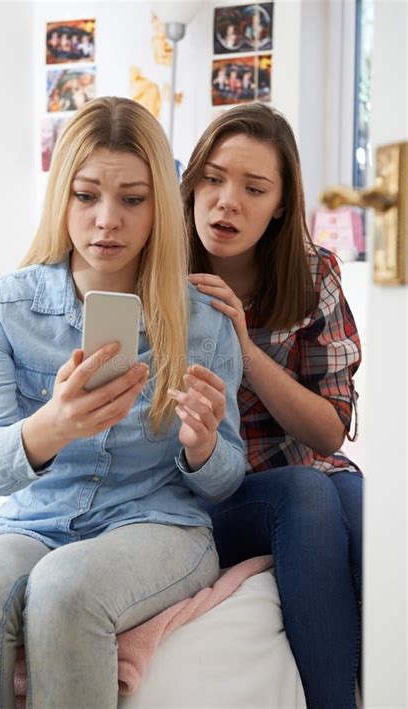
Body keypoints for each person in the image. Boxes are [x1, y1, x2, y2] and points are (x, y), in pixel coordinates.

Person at [0, 97, 246, 708]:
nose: (108, 220)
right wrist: (51, 426)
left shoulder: (204, 321)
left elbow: (226, 482)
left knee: (66, 588)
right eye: (86, 196)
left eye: (132, 199)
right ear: (62, 198)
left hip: (159, 523)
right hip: (33, 522)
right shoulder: (0, 308)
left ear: (160, 204)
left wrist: (204, 446)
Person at [181, 102, 363, 709]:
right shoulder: (158, 265)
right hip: (198, 491)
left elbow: (331, 431)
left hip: (294, 472)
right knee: (311, 493)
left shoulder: (312, 273)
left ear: (281, 204)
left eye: (253, 188)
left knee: (365, 506)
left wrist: (245, 353)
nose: (226, 201)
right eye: (212, 177)